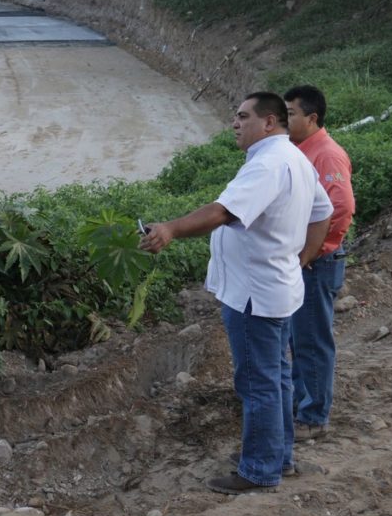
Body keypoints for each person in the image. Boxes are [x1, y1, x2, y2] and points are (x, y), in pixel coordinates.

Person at [139, 92, 332, 495]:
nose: (234, 123)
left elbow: (224, 211)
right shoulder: (295, 157)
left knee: (258, 383)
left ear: (269, 123)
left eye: (243, 116)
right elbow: (323, 211)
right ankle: (279, 457)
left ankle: (260, 469)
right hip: (276, 289)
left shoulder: (268, 164)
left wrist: (171, 228)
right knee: (276, 378)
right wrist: (302, 258)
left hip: (253, 297)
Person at [284, 85, 355, 440]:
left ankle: (312, 418)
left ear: (312, 119)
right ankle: (303, 406)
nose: (285, 119)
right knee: (300, 339)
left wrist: (313, 251)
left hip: (316, 263)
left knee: (311, 340)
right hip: (307, 262)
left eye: (291, 114)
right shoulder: (300, 151)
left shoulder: (325, 154)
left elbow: (340, 207)